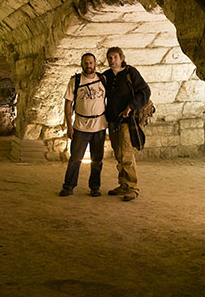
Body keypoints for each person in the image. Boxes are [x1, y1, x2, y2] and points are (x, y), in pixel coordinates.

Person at [103, 47, 151, 201]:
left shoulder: (131, 73)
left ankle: (132, 187)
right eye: (109, 58)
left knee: (126, 154)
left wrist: (130, 106)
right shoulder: (107, 76)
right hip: (112, 120)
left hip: (126, 121)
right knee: (118, 153)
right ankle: (123, 184)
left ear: (122, 58)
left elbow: (144, 91)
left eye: (115, 57)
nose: (112, 60)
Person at [59, 53, 107, 197]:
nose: (88, 65)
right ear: (81, 63)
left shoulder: (102, 79)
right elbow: (68, 104)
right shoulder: (75, 81)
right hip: (81, 126)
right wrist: (69, 125)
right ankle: (68, 186)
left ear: (95, 63)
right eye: (86, 63)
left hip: (99, 126)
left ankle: (95, 187)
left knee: (97, 159)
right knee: (75, 158)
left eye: (91, 63)